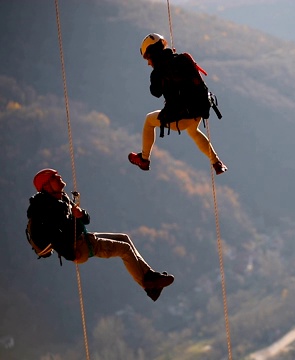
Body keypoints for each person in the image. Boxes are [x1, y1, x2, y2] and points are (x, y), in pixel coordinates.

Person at [26, 168, 175, 301]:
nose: (59, 177)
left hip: (82, 238)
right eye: (54, 177)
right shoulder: (49, 209)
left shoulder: (62, 199)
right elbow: (53, 236)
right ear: (46, 186)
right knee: (124, 249)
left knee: (124, 238)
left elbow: (87, 220)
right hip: (79, 247)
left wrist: (81, 214)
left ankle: (150, 276)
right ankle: (148, 285)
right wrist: (70, 254)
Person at [128, 33, 228, 175]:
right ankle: (217, 163)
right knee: (193, 131)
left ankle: (144, 159)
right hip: (199, 110)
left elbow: (155, 92)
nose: (148, 63)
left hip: (182, 117)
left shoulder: (158, 71)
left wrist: (157, 75)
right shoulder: (180, 59)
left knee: (149, 120)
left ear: (152, 54)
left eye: (147, 58)